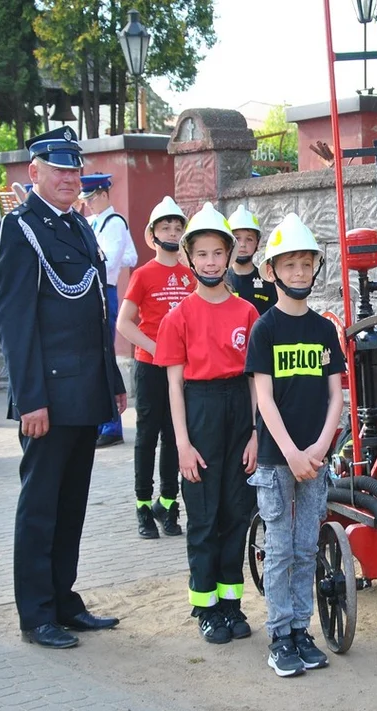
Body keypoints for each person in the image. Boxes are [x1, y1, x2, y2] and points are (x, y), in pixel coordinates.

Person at [0, 126, 126, 650]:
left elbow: (96, 313)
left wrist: (111, 378)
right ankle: (36, 613)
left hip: (84, 390)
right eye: (59, 169)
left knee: (71, 504)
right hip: (48, 394)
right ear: (35, 173)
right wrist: (31, 400)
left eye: (75, 170)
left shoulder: (80, 228)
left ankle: (64, 599)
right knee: (42, 504)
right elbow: (14, 321)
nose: (70, 178)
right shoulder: (19, 231)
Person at [154, 202, 259, 645]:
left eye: (219, 253)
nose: (211, 262)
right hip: (198, 414)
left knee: (237, 513)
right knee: (203, 516)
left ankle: (232, 602)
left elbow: (257, 382)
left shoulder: (247, 313)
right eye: (202, 254)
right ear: (188, 258)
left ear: (229, 253)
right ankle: (206, 607)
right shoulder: (177, 318)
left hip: (239, 412)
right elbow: (174, 387)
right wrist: (182, 444)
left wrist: (256, 432)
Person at [245, 212, 344, 678]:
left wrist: (320, 447)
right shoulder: (265, 330)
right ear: (271, 271)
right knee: (280, 549)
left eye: (307, 264)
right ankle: (279, 636)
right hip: (276, 460)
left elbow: (335, 395)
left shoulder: (325, 330)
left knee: (306, 548)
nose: (299, 273)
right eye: (289, 265)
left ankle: (302, 631)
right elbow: (263, 398)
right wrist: (290, 452)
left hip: (316, 459)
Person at [116, 196, 196, 539]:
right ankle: (143, 507)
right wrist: (157, 349)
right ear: (153, 234)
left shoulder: (189, 276)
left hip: (179, 371)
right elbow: (124, 323)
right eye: (166, 227)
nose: (173, 232)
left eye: (178, 227)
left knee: (174, 436)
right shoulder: (144, 274)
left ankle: (169, 505)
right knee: (147, 437)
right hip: (149, 367)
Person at [80, 173, 136, 448]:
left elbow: (109, 260)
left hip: (104, 292)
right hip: (93, 292)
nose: (87, 204)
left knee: (105, 355)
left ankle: (111, 425)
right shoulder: (93, 222)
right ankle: (101, 420)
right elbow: (130, 256)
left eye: (90, 198)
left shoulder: (113, 223)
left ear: (103, 194)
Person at [226, 204, 276, 315]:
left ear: (257, 243)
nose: (242, 244)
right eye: (237, 238)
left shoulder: (267, 281)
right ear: (228, 242)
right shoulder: (221, 280)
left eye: (249, 239)